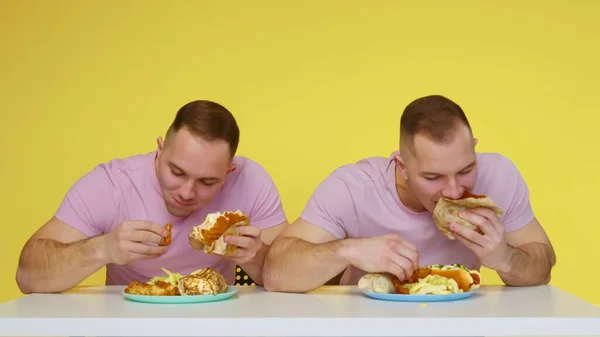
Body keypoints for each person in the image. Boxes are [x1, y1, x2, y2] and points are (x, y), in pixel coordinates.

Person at [263, 94, 556, 292]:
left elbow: (542, 267)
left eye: (466, 170)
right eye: (432, 177)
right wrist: (349, 249)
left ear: (474, 148)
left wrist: (504, 257)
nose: (454, 190)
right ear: (401, 165)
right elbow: (275, 273)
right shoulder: (353, 187)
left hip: (458, 325)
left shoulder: (499, 175)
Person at [16, 100, 288, 293]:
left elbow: (289, 276)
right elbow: (28, 277)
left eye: (207, 181)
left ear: (229, 171)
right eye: (176, 171)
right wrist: (103, 248)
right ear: (159, 149)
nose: (186, 192)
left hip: (217, 324)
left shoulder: (251, 181)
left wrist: (253, 256)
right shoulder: (112, 184)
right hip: (129, 326)